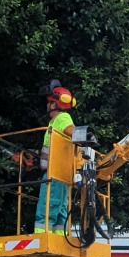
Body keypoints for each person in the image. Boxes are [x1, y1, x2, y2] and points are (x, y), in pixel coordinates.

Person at [34, 85, 76, 234]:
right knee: (60, 210)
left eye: (49, 102)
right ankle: (59, 238)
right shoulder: (55, 122)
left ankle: (42, 237)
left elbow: (73, 131)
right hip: (62, 175)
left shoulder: (62, 118)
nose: (47, 105)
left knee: (47, 206)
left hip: (55, 173)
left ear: (54, 104)